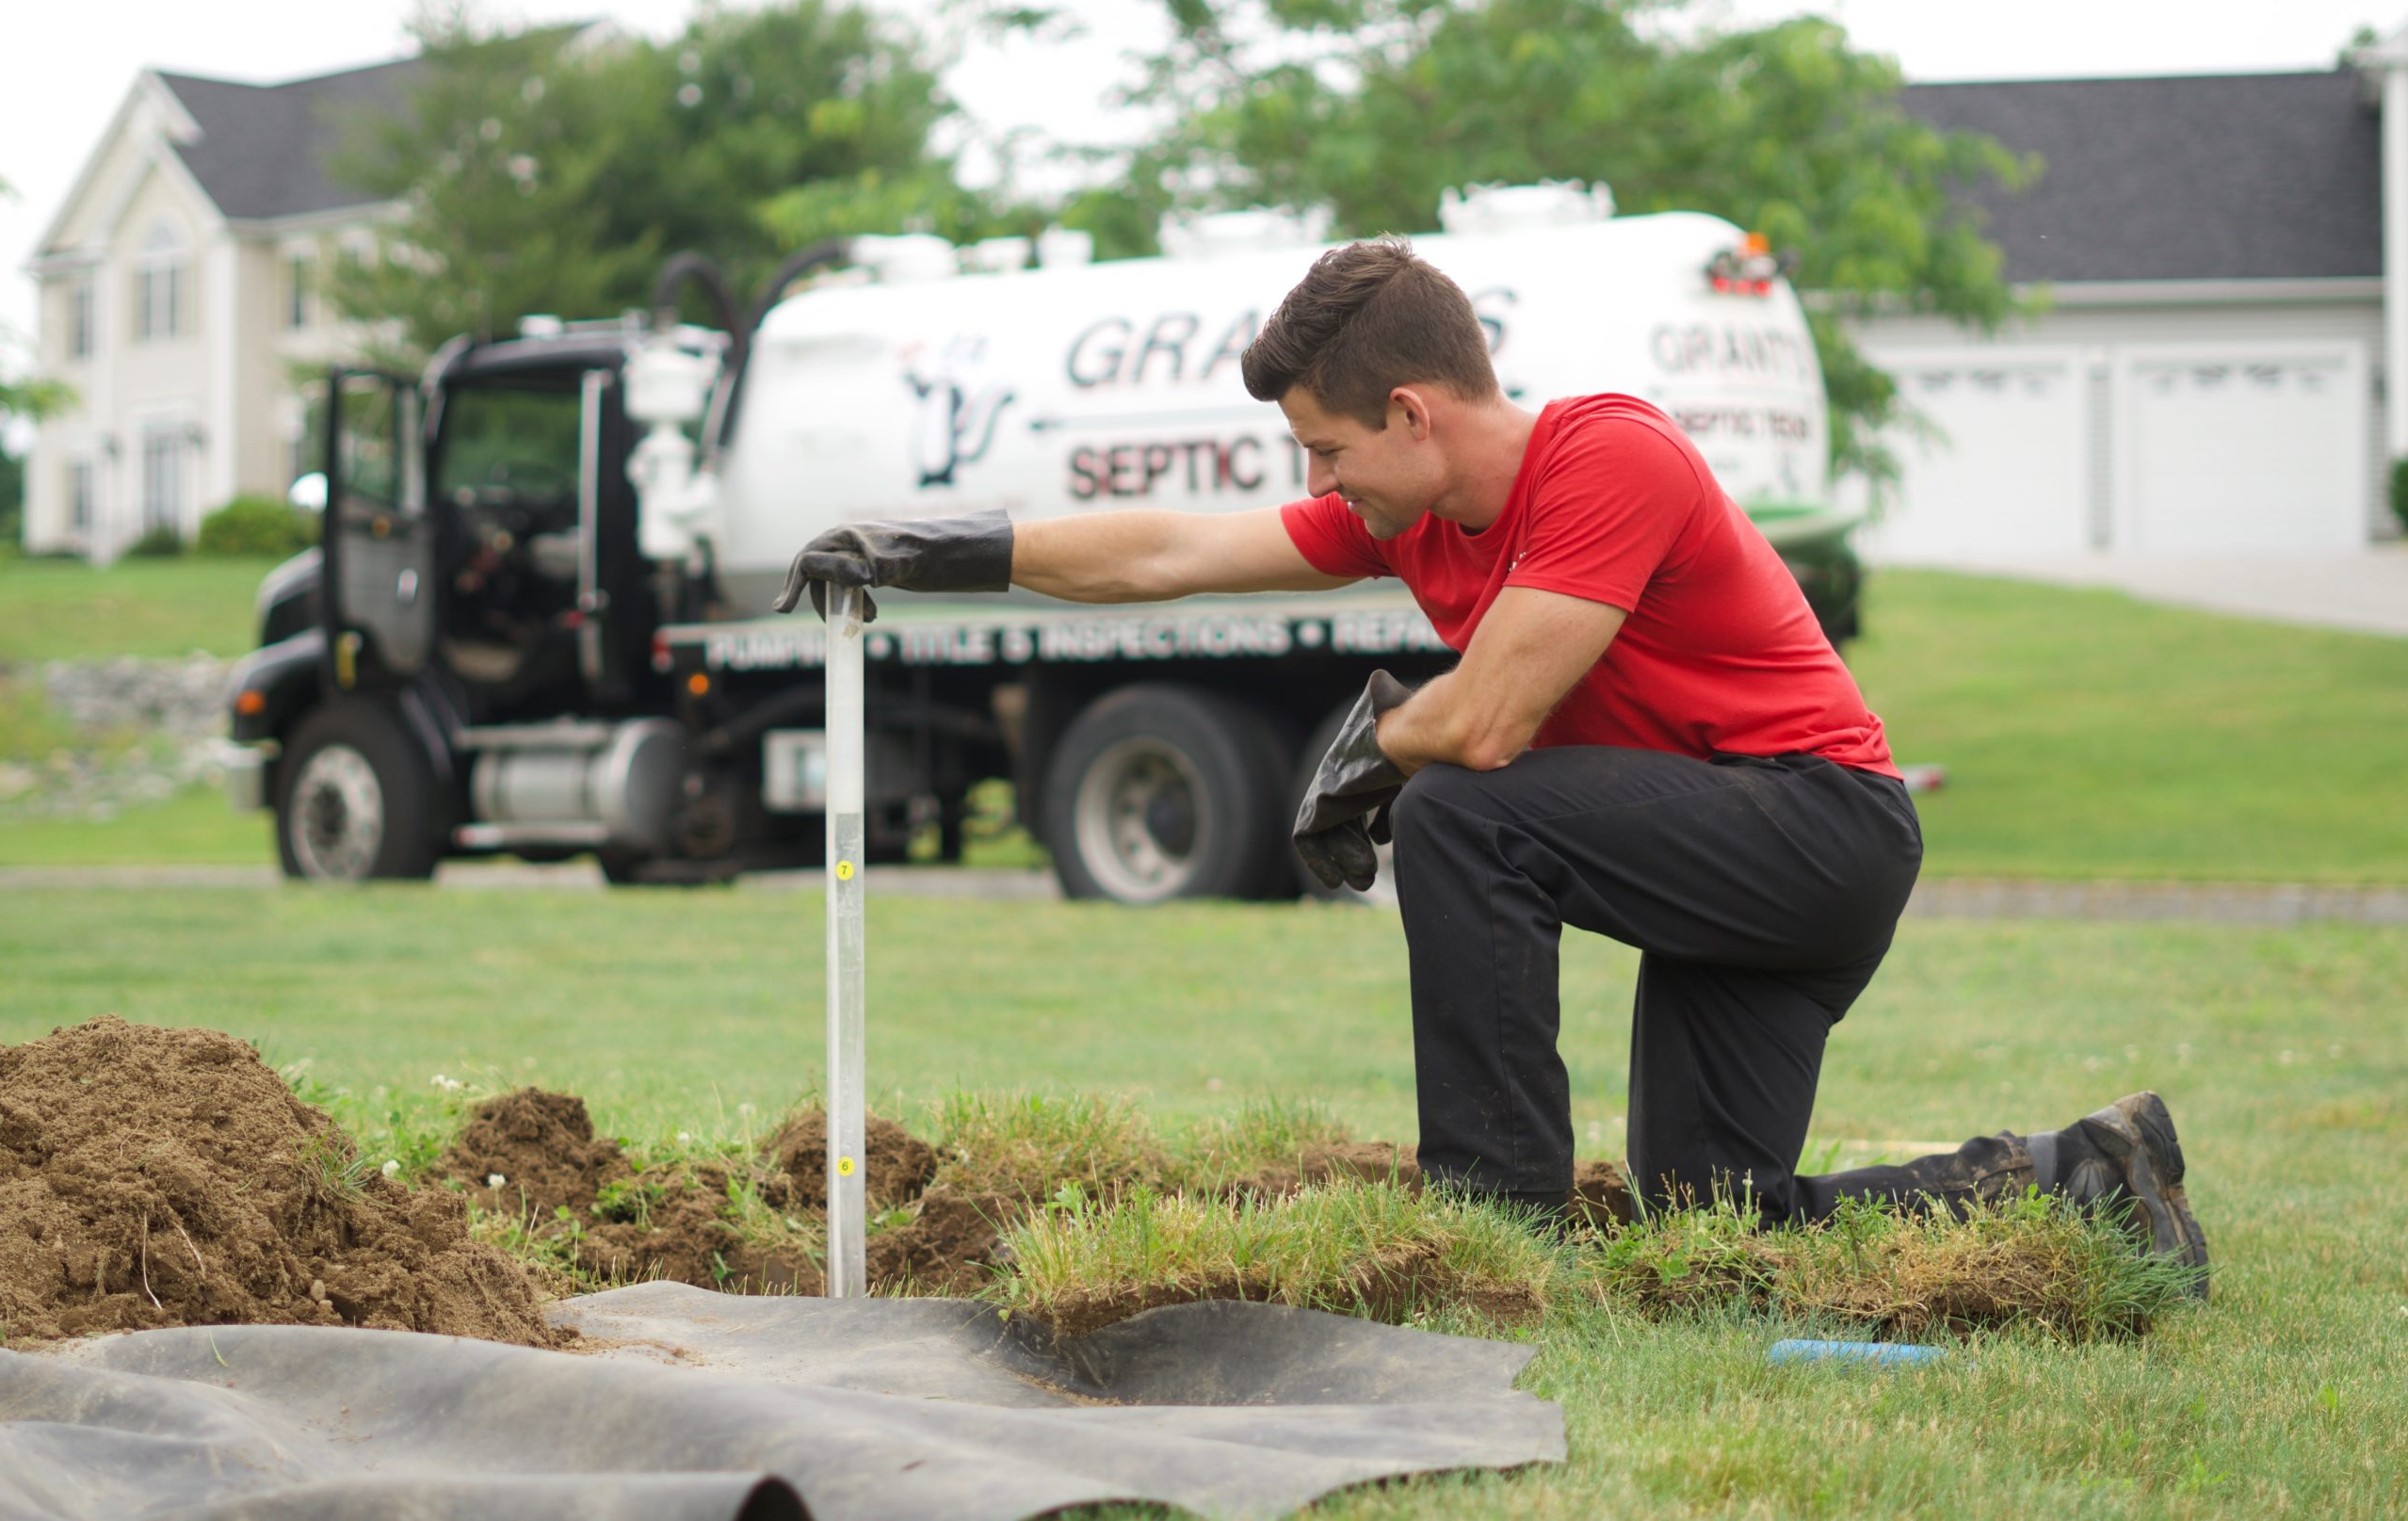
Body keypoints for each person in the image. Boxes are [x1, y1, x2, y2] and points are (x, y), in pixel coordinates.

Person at [775, 237, 2208, 1293]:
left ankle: (1489, 1228)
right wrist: (945, 553)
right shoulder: (1412, 518)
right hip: (1730, 850)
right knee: (1713, 1229)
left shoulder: (1608, 459)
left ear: (1415, 411)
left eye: (1331, 448)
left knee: (1461, 809)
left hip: (1819, 833)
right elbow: (1176, 550)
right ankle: (2085, 1176)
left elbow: (1486, 723)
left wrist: (1367, 752)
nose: (1322, 483)